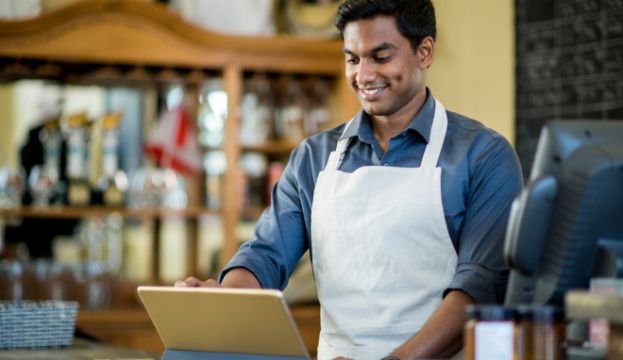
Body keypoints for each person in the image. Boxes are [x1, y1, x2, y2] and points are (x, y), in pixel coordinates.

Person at [176, 0, 524, 358]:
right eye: (353, 59)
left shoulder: (483, 156)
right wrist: (221, 299)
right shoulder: (314, 158)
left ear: (424, 52)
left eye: (381, 57)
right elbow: (266, 256)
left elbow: (479, 288)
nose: (364, 75)